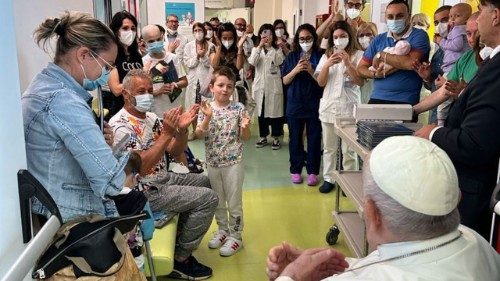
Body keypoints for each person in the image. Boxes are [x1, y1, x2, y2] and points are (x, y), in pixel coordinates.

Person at [267, 136, 500, 281]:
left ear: (372, 213)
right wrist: (323, 266)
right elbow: (406, 261)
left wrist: (292, 276)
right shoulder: (477, 242)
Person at [109, 69, 218, 280]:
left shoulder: (150, 117)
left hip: (161, 178)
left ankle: (181, 237)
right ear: (126, 93)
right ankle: (181, 259)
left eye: (150, 90)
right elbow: (139, 168)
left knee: (204, 181)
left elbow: (175, 152)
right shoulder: (120, 127)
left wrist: (182, 131)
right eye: (141, 91)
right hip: (143, 190)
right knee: (209, 198)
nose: (148, 95)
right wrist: (168, 133)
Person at [22, 11, 126, 222]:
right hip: (67, 217)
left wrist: (96, 141)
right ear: (84, 55)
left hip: (46, 208)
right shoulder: (63, 101)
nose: (106, 74)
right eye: (106, 66)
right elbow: (111, 182)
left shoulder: (42, 86)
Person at [415, 0, 500, 240]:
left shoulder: (496, 69)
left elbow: (475, 143)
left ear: (495, 16)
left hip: (477, 192)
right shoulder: (488, 62)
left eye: (481, 10)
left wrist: (432, 133)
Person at [195, 66, 251, 257]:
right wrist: (207, 118)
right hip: (213, 162)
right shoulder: (206, 108)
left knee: (234, 201)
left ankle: (236, 236)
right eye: (220, 85)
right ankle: (223, 230)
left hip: (234, 162)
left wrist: (244, 127)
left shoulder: (238, 108)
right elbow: (198, 134)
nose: (225, 90)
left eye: (229, 86)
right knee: (218, 200)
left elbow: (246, 136)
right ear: (212, 87)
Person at [315, 20, 364, 193]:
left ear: (349, 37)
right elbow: (320, 82)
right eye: (335, 37)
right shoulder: (326, 55)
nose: (339, 40)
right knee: (329, 147)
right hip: (329, 108)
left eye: (343, 36)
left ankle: (348, 181)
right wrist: (328, 64)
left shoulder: (358, 55)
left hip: (349, 108)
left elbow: (360, 81)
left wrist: (348, 63)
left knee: (349, 148)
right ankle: (329, 178)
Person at [357, 0, 430, 110]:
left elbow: (410, 63)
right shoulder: (379, 39)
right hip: (377, 97)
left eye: (400, 16)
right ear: (386, 18)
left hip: (405, 100)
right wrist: (375, 74)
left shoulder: (419, 35)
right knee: (366, 127)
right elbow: (360, 68)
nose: (395, 20)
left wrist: (381, 55)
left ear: (409, 17)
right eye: (390, 16)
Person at [413, 12, 482, 116]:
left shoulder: (492, 58)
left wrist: (463, 91)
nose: (472, 39)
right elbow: (442, 92)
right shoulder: (466, 57)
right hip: (450, 117)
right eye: (468, 33)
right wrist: (412, 111)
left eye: (477, 33)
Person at [282, 24, 324, 186]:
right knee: (295, 139)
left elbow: (322, 82)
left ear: (314, 39)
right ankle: (296, 169)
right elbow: (285, 80)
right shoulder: (292, 56)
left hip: (314, 103)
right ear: (297, 40)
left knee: (314, 138)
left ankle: (313, 171)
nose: (305, 41)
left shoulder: (320, 56)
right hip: (295, 104)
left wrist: (311, 70)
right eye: (301, 39)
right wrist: (296, 70)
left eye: (308, 38)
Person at [248, 24, 285, 150]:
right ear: (260, 35)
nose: (265, 36)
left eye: (268, 34)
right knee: (261, 113)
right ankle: (263, 136)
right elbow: (252, 62)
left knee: (275, 114)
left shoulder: (277, 49)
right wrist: (260, 47)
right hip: (260, 87)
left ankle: (276, 138)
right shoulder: (256, 49)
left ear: (272, 36)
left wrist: (272, 47)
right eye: (263, 34)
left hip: (273, 87)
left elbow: (279, 61)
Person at [412, 5, 451, 124]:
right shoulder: (438, 52)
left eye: (445, 20)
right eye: (436, 22)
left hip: (451, 113)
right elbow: (432, 86)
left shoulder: (463, 51)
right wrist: (427, 77)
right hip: (434, 110)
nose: (440, 25)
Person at [435, 3, 472, 126]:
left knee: (443, 98)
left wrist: (442, 41)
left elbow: (456, 46)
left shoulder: (458, 29)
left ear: (467, 18)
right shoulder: (456, 30)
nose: (452, 19)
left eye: (457, 16)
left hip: (453, 69)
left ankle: (440, 122)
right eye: (451, 16)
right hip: (451, 70)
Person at [141, 24, 188, 117]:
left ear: (162, 37)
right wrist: (158, 91)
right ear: (144, 42)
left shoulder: (173, 58)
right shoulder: (143, 62)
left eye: (158, 39)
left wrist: (175, 85)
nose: (155, 43)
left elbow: (185, 82)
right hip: (155, 113)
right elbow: (141, 92)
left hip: (175, 109)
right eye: (151, 41)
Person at [105, 10, 144, 119]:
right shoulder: (111, 55)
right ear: (116, 31)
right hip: (120, 111)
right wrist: (138, 78)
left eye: (133, 28)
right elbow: (116, 90)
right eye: (125, 28)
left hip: (139, 108)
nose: (130, 32)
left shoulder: (136, 55)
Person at [183, 23, 215, 140]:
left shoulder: (211, 46)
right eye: (195, 30)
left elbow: (211, 64)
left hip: (206, 79)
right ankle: (194, 131)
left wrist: (203, 56)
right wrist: (197, 56)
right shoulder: (188, 46)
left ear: (204, 32)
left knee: (206, 105)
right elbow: (188, 63)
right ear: (193, 33)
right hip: (193, 80)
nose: (198, 33)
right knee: (193, 106)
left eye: (200, 30)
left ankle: (205, 130)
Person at [356, 22, 378, 104]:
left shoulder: (380, 54)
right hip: (358, 97)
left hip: (374, 96)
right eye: (361, 35)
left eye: (369, 34)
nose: (365, 37)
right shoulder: (355, 55)